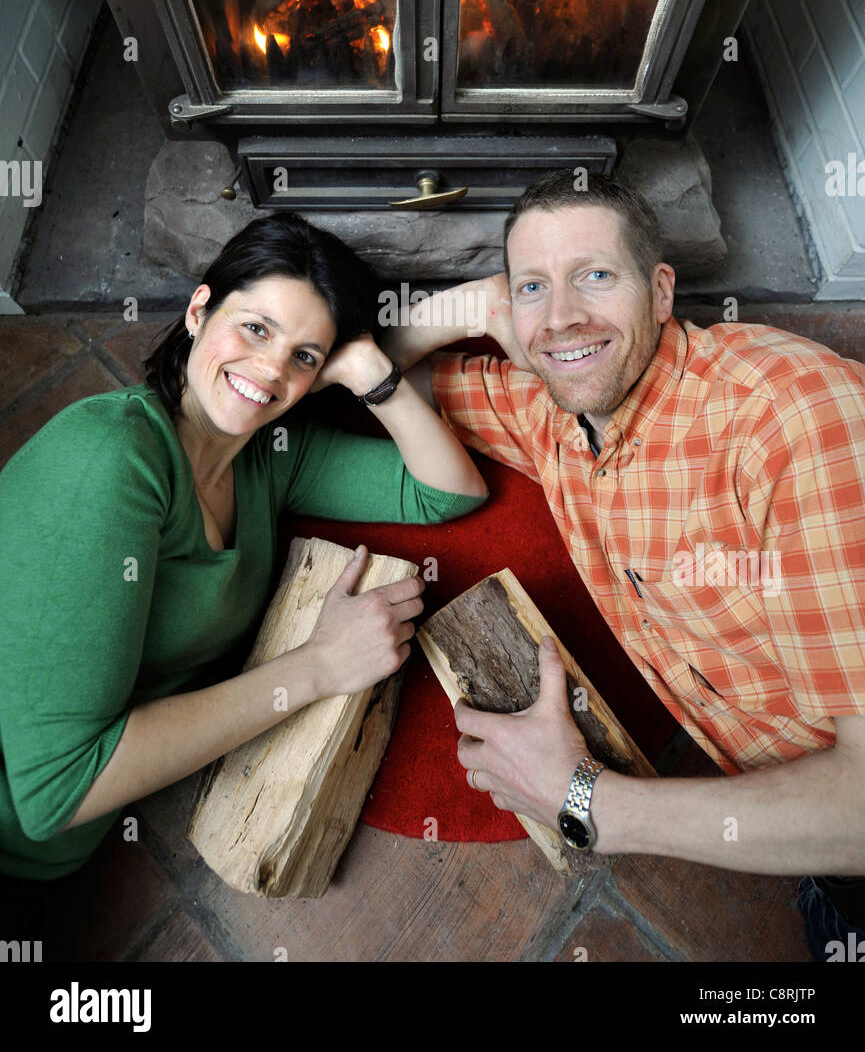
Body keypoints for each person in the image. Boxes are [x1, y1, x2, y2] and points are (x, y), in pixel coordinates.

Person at [385, 168, 865, 962]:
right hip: (819, 863)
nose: (562, 318)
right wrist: (468, 305)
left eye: (595, 277)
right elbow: (386, 372)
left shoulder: (794, 423)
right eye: (532, 287)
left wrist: (581, 799)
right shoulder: (554, 407)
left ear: (662, 290)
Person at [0, 212, 488, 884]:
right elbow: (54, 795)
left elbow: (449, 493)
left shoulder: (267, 453)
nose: (268, 369)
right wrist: (319, 665)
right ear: (199, 309)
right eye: (255, 328)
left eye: (304, 356)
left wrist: (374, 373)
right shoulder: (109, 460)